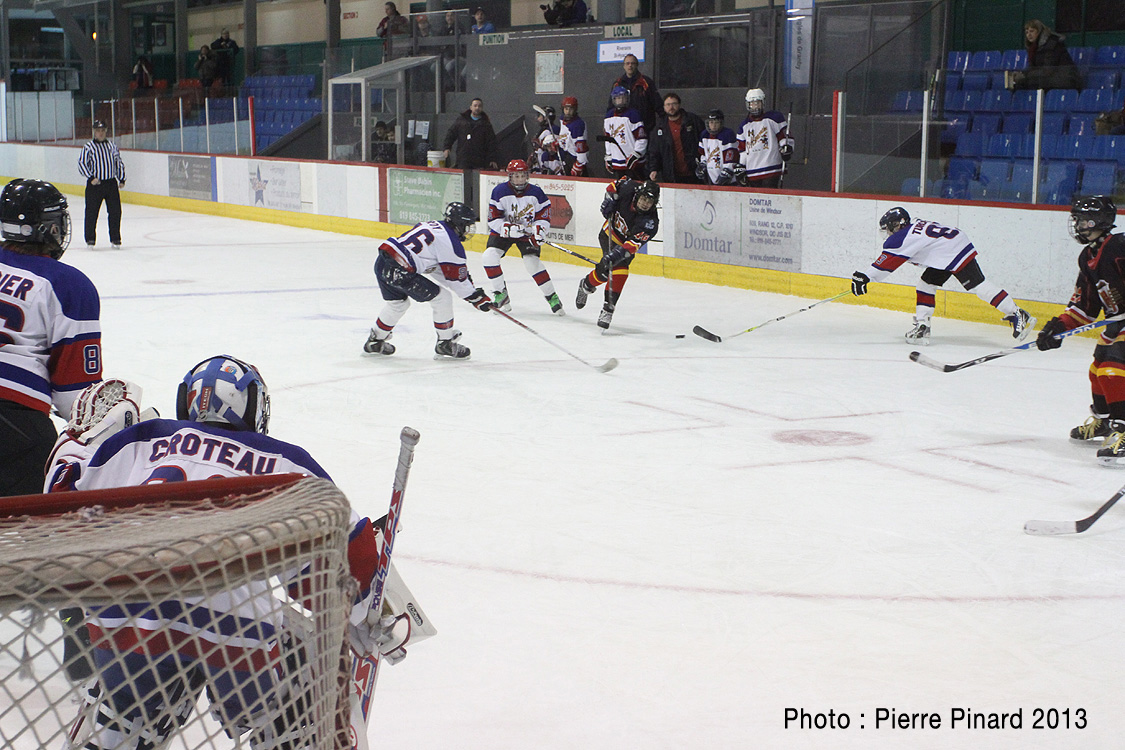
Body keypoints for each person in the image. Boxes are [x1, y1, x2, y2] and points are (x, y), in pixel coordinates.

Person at [45, 356, 416, 750]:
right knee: (291, 712)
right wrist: (370, 614)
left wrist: (80, 438)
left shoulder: (142, 439)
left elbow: (63, 503)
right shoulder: (284, 460)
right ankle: (279, 731)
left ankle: (117, 732)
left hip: (124, 610)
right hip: (233, 624)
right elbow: (337, 558)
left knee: (128, 716)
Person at [0, 178, 101, 497]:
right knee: (30, 533)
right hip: (16, 423)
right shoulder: (67, 284)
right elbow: (73, 399)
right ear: (47, 229)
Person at [851, 207, 1035, 345]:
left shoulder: (902, 236)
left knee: (977, 286)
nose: (888, 233)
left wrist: (865, 276)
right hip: (946, 251)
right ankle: (922, 326)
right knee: (925, 284)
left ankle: (1018, 313)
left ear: (898, 225)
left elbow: (887, 263)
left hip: (952, 250)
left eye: (889, 228)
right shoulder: (913, 227)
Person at [1035, 196, 1125, 465]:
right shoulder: (1087, 257)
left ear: (1099, 222)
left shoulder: (1119, 246)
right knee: (1097, 370)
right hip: (1117, 322)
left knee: (1113, 368)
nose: (1077, 225)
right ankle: (1105, 422)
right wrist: (1058, 328)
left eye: (1082, 220)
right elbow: (1084, 307)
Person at [364, 202, 493, 360]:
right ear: (459, 224)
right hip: (401, 270)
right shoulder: (450, 242)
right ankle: (445, 343)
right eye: (467, 225)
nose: (469, 230)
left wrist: (471, 293)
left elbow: (440, 271)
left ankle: (375, 341)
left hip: (382, 262)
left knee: (397, 304)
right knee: (442, 298)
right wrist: (476, 298)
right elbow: (455, 279)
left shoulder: (435, 226)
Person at [576, 178, 659, 330]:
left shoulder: (650, 222)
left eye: (650, 201)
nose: (645, 203)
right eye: (643, 198)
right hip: (608, 234)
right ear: (638, 194)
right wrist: (609, 200)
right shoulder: (628, 188)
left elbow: (632, 245)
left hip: (624, 247)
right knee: (613, 271)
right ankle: (597, 298)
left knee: (612, 271)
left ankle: (594, 294)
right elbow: (612, 186)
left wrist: (616, 255)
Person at [483, 161, 564, 316]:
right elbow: (493, 219)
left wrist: (539, 231)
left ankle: (552, 296)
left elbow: (544, 216)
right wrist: (507, 228)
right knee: (489, 257)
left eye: (522, 176)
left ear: (527, 176)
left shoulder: (536, 192)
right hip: (505, 232)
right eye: (516, 176)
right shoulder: (499, 191)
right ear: (510, 176)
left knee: (532, 263)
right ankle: (501, 294)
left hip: (526, 233)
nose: (520, 179)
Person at [78, 120, 127, 248]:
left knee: (115, 211)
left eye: (102, 131)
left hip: (111, 183)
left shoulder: (112, 146)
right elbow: (82, 164)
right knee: (91, 212)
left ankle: (115, 239)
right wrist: (91, 177)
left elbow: (118, 162)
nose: (100, 133)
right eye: (98, 131)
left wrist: (121, 178)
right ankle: (90, 239)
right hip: (95, 184)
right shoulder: (88, 147)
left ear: (106, 132)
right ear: (94, 132)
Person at [736, 88, 793, 189]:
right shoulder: (744, 126)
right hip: (752, 171)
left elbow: (784, 137)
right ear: (748, 105)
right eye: (752, 103)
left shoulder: (773, 118)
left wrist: (786, 147)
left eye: (758, 103)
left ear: (763, 103)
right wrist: (741, 166)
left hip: (771, 168)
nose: (755, 106)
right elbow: (743, 150)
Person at [1006, 19, 1081, 92]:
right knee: (1021, 84)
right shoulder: (1034, 48)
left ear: (1039, 31)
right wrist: (1022, 73)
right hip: (1051, 79)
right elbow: (1033, 68)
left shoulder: (1052, 44)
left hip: (1065, 80)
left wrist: (1025, 76)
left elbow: (1048, 70)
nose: (1029, 34)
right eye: (1026, 32)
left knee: (1030, 82)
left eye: (1032, 31)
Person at [647, 93, 705, 184]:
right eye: (668, 105)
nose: (671, 107)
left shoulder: (692, 120)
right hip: (671, 175)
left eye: (674, 104)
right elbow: (654, 150)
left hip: (694, 173)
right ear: (664, 107)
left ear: (679, 105)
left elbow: (705, 140)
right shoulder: (660, 126)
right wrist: (654, 169)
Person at [608, 54, 661, 132]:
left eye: (633, 63)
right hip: (622, 129)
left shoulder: (646, 82)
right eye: (627, 63)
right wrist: (607, 122)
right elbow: (611, 106)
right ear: (624, 66)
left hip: (645, 127)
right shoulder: (617, 84)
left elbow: (657, 103)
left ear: (637, 65)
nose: (630, 66)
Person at [604, 85, 648, 179]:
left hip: (633, 163)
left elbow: (642, 138)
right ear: (613, 100)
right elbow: (608, 139)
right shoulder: (609, 116)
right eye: (618, 98)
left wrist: (636, 154)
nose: (620, 101)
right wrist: (608, 155)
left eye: (623, 98)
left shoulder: (633, 114)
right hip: (617, 163)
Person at [442, 98, 498, 170]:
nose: (477, 108)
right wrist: (447, 147)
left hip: (479, 159)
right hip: (463, 158)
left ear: (482, 108)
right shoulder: (462, 120)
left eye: (479, 106)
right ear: (471, 107)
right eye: (475, 105)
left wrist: (492, 159)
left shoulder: (486, 124)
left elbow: (491, 142)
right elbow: (451, 133)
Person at [696, 108, 739, 185]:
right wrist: (702, 165)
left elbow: (731, 156)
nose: (713, 125)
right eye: (711, 122)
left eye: (716, 122)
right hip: (711, 177)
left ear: (721, 123)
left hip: (729, 180)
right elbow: (704, 154)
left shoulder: (727, 135)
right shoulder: (704, 135)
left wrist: (728, 170)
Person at [558, 96, 589, 177]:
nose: (568, 112)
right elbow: (565, 137)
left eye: (570, 109)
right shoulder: (563, 120)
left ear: (575, 109)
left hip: (575, 158)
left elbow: (581, 147)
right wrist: (559, 143)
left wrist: (579, 164)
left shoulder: (577, 125)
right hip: (566, 157)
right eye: (566, 109)